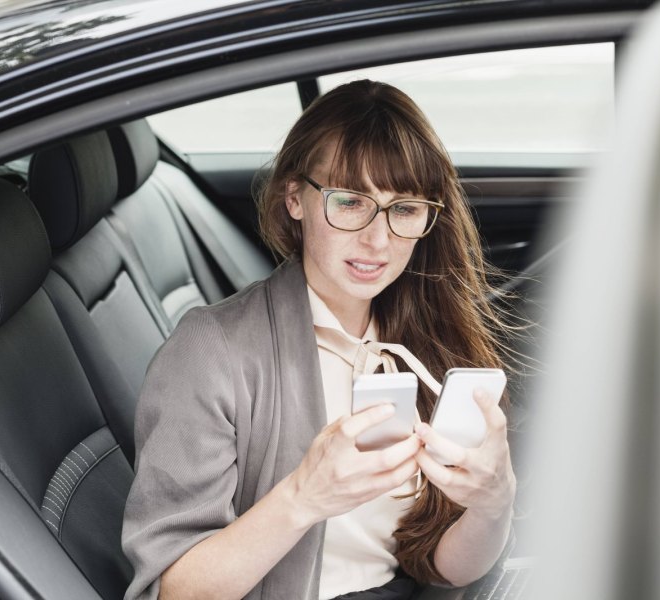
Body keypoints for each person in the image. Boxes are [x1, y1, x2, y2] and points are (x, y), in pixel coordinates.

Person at [122, 79, 516, 600]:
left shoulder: (423, 337)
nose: (378, 239)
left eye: (404, 209)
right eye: (350, 201)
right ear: (295, 198)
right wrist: (305, 496)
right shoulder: (211, 351)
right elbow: (170, 591)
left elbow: (443, 568)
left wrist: (495, 502)